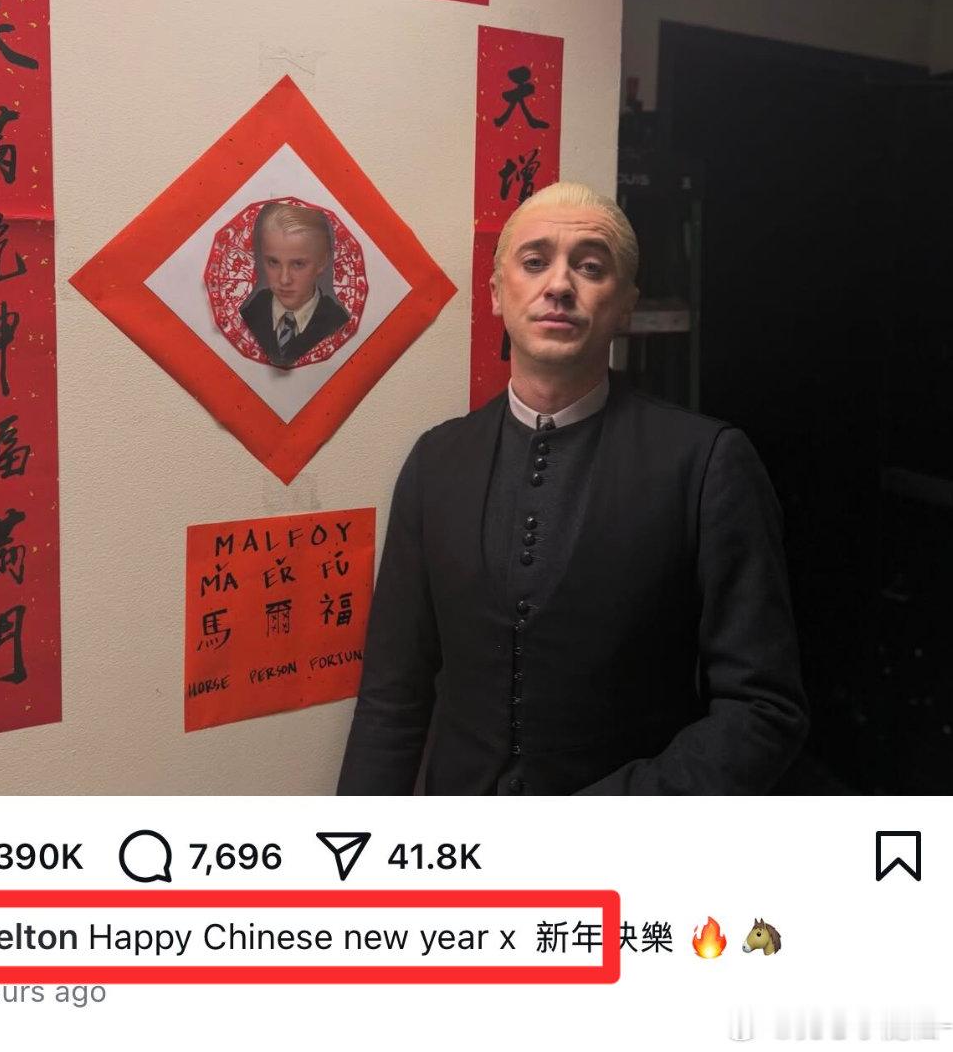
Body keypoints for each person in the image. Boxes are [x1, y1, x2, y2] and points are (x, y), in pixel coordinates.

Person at [338, 180, 808, 795]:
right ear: (496, 293)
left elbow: (765, 711)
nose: (559, 284)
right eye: (535, 262)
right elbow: (391, 697)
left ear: (626, 304)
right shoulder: (436, 460)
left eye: (590, 267)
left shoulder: (705, 463)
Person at [240, 201, 350, 368]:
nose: (284, 280)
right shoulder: (249, 312)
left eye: (298, 264)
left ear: (322, 261)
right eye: (273, 262)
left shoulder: (338, 321)